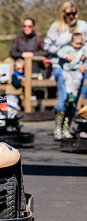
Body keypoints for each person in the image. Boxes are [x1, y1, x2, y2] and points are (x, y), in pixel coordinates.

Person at [44, 1, 87, 140]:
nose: (71, 16)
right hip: (60, 66)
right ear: (63, 13)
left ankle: (66, 128)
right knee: (64, 96)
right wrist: (62, 53)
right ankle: (58, 128)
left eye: (73, 13)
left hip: (78, 68)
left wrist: (83, 59)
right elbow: (47, 46)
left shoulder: (82, 26)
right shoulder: (56, 27)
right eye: (68, 14)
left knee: (74, 99)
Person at [56, 33, 87, 137]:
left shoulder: (83, 50)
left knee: (75, 91)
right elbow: (59, 52)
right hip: (67, 71)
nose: (79, 45)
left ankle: (66, 129)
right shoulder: (68, 48)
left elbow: (86, 59)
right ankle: (58, 129)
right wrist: (67, 56)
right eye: (77, 43)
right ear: (72, 42)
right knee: (66, 93)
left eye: (80, 44)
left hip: (78, 72)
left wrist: (84, 65)